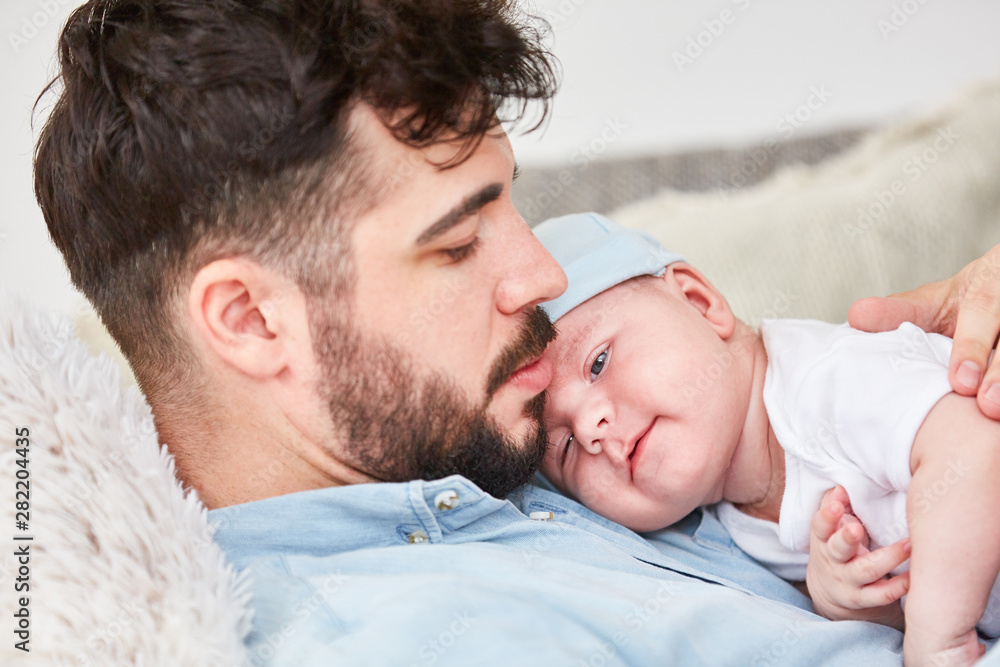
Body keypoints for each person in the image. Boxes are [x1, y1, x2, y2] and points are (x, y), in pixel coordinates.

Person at [30, 1, 1000, 664]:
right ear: (250, 320)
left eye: (511, 213)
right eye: (458, 242)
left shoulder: (492, 435)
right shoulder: (396, 634)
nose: (540, 278)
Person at [533, 212, 1000, 666]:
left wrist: (936, 640)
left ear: (698, 302)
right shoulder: (728, 536)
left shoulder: (824, 377)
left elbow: (976, 451)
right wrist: (853, 603)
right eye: (566, 448)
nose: (590, 428)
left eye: (598, 362)